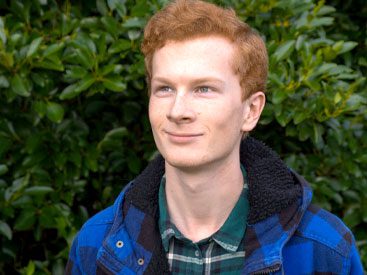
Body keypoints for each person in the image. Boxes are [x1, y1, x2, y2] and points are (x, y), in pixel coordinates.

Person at [66, 0, 363, 274]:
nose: (178, 110)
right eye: (165, 88)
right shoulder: (97, 247)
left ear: (251, 110)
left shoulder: (324, 250)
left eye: (204, 89)